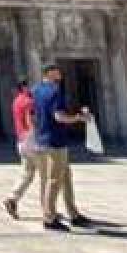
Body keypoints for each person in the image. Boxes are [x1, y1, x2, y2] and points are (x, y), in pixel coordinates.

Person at [32, 64, 94, 231]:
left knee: (65, 178)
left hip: (42, 139)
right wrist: (79, 118)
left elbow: (34, 114)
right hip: (56, 141)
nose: (60, 73)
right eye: (57, 71)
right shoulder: (55, 91)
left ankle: (73, 214)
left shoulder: (36, 90)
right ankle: (49, 218)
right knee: (54, 180)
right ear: (50, 73)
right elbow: (59, 117)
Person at [2, 80, 40, 219]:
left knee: (27, 174)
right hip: (32, 138)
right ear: (24, 87)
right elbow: (30, 119)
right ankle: (48, 207)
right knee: (47, 174)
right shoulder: (29, 101)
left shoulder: (16, 101)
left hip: (21, 140)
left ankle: (12, 198)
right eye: (31, 86)